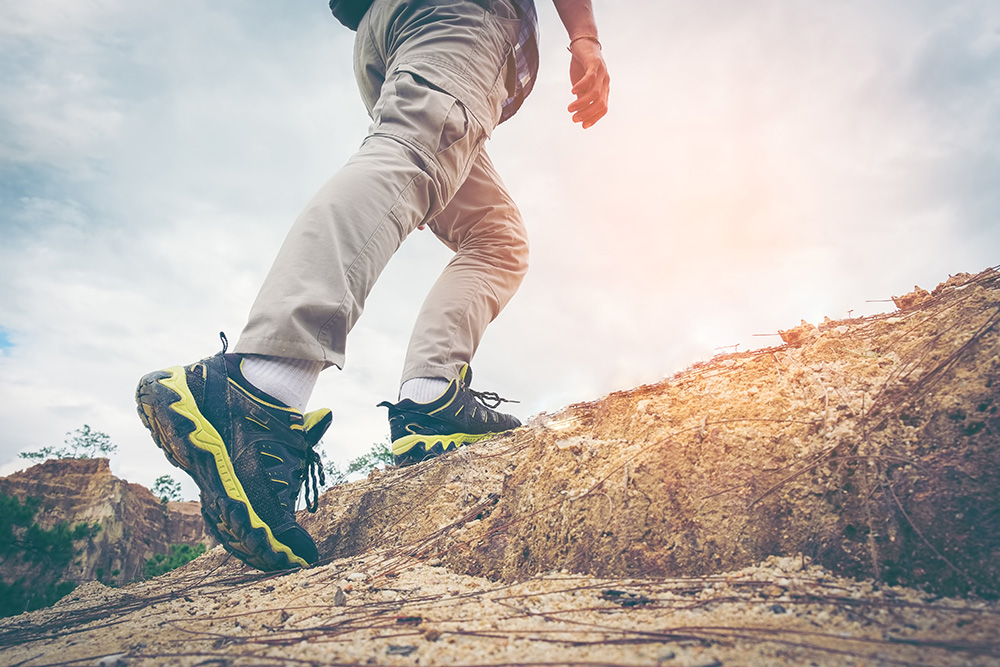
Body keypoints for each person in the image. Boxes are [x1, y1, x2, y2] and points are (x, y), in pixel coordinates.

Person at [135, 0, 610, 572]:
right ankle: (259, 390)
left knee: (496, 240)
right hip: (461, 15)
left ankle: (430, 400)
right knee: (410, 151)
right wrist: (585, 37)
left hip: (387, 32)